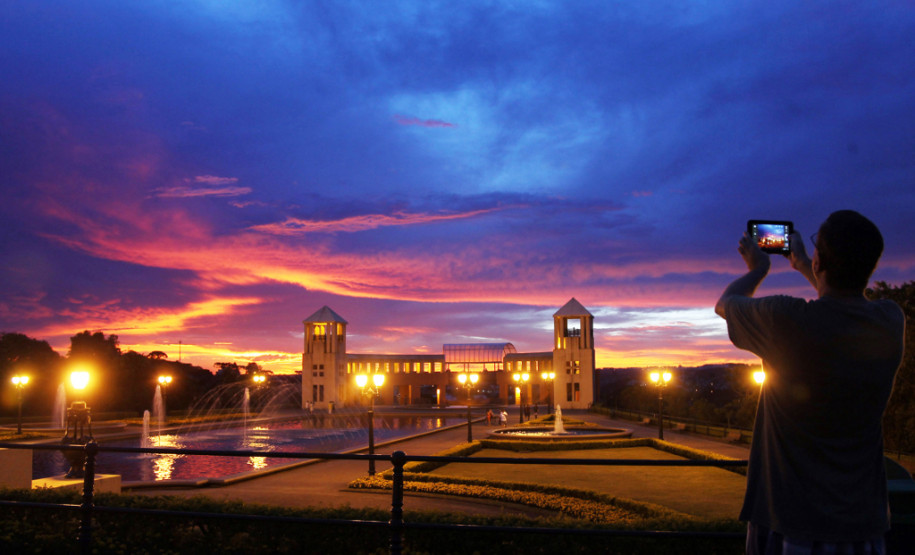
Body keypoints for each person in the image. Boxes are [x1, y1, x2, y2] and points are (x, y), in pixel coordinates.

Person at [715, 210, 904, 554]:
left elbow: (726, 305)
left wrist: (758, 269)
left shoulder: (787, 320)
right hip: (862, 525)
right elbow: (843, 303)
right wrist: (803, 262)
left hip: (792, 521)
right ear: (871, 265)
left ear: (820, 261)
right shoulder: (890, 321)